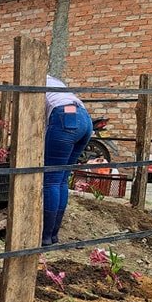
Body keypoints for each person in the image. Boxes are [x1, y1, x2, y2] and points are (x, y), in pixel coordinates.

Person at [43, 74, 93, 246]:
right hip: (84, 118)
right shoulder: (55, 81)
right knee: (62, 178)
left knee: (50, 180)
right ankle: (53, 235)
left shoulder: (31, 78)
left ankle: (45, 236)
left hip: (65, 118)